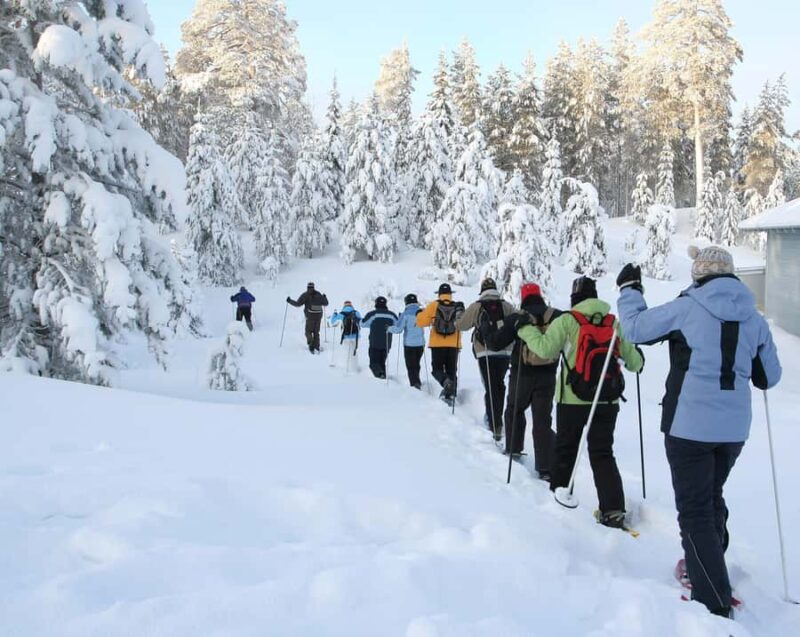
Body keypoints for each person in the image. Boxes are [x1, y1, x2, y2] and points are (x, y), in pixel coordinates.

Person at [616, 247, 781, 619]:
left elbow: (635, 328)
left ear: (699, 274)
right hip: (734, 430)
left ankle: (713, 599)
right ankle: (704, 564)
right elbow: (770, 377)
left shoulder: (689, 306)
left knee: (695, 510)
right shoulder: (754, 318)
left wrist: (629, 289)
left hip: (689, 425)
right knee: (710, 497)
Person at [515, 276, 643, 528]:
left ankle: (559, 501)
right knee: (603, 452)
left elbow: (544, 349)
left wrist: (523, 329)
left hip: (573, 400)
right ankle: (613, 510)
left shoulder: (568, 320)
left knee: (566, 449)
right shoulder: (613, 323)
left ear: (575, 299)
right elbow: (635, 363)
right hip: (607, 401)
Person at [481, 283, 561, 478]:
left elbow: (496, 343)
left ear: (523, 297)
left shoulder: (518, 318)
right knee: (543, 420)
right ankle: (546, 467)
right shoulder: (556, 316)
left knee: (514, 410)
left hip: (522, 374)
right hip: (549, 375)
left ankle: (513, 449)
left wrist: (485, 330)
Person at [456, 277, 515, 440]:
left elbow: (461, 325)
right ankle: (497, 420)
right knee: (499, 385)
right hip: (504, 352)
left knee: (490, 387)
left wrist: (459, 313)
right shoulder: (506, 306)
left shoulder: (477, 306)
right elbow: (518, 322)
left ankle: (494, 422)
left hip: (484, 352)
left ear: (482, 290)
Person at [416, 283, 463, 405]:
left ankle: (445, 383)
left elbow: (421, 322)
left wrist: (419, 314)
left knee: (437, 369)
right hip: (454, 344)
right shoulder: (457, 307)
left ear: (439, 294)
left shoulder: (434, 305)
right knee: (452, 370)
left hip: (437, 344)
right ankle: (451, 394)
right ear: (450, 294)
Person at [388, 294, 426, 389]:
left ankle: (415, 385)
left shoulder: (405, 314)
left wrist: (388, 328)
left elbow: (398, 329)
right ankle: (417, 381)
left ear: (406, 302)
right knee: (416, 364)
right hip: (420, 344)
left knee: (411, 366)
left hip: (409, 345)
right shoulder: (422, 313)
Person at [361, 297, 399, 379]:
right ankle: (383, 378)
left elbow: (363, 324)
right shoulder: (392, 315)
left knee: (374, 363)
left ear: (376, 303)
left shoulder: (373, 314)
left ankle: (380, 376)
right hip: (387, 343)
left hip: (375, 343)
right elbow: (397, 326)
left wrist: (358, 320)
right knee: (382, 363)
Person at [287, 282, 329, 354]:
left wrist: (289, 301)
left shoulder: (305, 295)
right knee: (316, 332)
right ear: (313, 287)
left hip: (310, 316)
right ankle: (317, 346)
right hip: (318, 316)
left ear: (307, 287)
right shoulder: (318, 294)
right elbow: (326, 303)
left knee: (308, 331)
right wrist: (324, 297)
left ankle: (311, 344)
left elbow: (298, 304)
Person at [329, 301, 362, 372]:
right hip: (356, 336)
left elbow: (333, 322)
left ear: (344, 306)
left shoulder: (342, 313)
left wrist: (334, 314)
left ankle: (348, 368)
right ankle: (355, 367)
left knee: (347, 351)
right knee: (354, 351)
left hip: (346, 336)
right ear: (351, 306)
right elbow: (361, 322)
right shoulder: (356, 312)